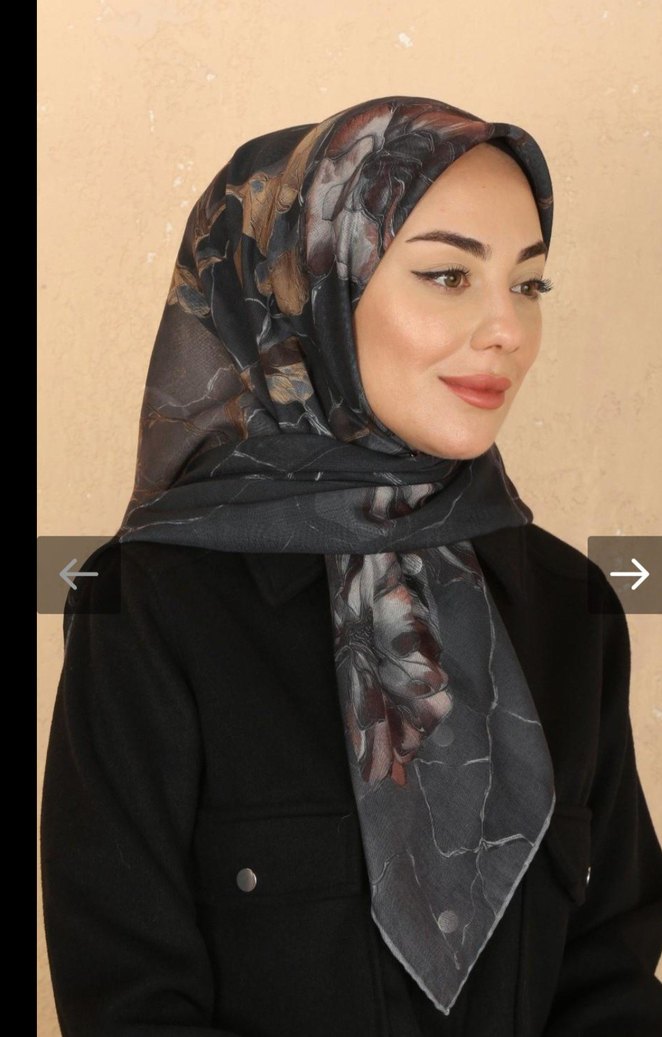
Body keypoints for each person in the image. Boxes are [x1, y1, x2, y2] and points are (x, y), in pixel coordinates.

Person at [41, 95, 662, 1036]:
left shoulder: (567, 604)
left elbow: (610, 975)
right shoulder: (150, 608)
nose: (507, 328)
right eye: (449, 275)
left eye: (529, 284)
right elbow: (131, 1001)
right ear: (315, 287)